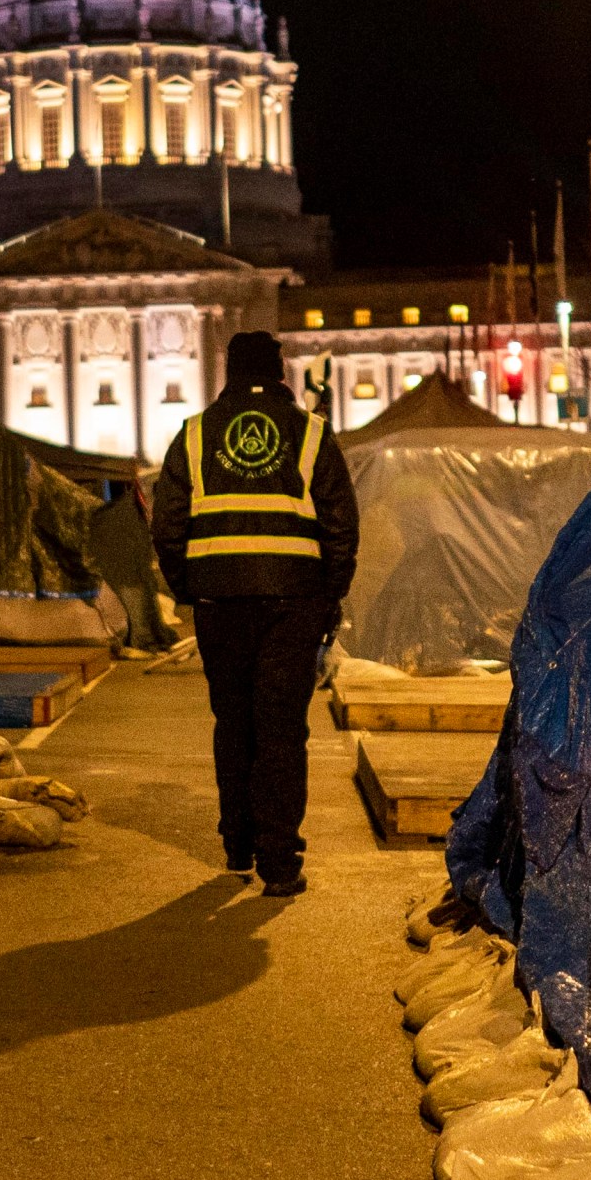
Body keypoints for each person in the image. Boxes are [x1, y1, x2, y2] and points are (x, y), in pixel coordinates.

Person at [150, 330, 356, 896]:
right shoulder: (310, 433)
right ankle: (280, 863)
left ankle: (237, 844)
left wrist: (189, 586)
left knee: (234, 723)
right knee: (283, 729)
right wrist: (330, 593)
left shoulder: (193, 435)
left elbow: (167, 526)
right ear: (281, 371)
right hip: (295, 601)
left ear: (228, 372)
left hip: (220, 601)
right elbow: (341, 522)